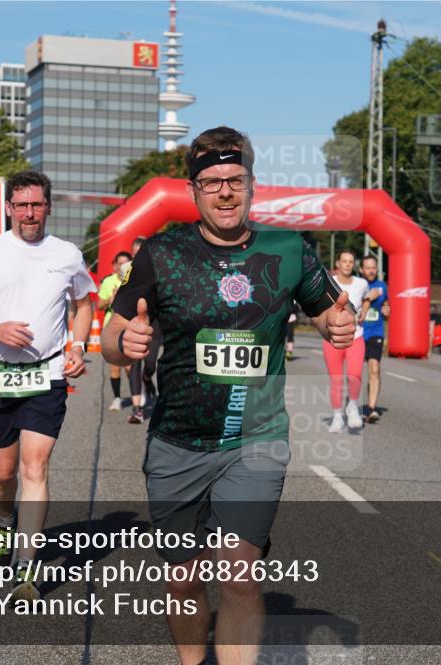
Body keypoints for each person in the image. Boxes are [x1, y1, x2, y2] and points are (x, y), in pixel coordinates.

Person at [101, 126, 355, 665]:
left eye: (234, 180)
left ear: (252, 185)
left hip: (256, 440)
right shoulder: (162, 253)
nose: (224, 192)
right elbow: (110, 338)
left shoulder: (287, 249)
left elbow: (332, 309)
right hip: (177, 441)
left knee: (239, 574)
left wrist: (340, 323)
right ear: (192, 190)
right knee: (183, 581)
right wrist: (125, 342)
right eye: (211, 181)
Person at [0, 171, 95, 602]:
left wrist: (78, 345)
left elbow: (84, 304)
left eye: (37, 204)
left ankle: (25, 567)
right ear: (9, 208)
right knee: (4, 472)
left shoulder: (66, 254)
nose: (30, 213)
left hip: (46, 378)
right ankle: (4, 521)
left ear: (49, 207)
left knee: (35, 467)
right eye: (21, 205)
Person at [322, 249, 372, 433]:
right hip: (333, 339)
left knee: (355, 375)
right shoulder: (330, 283)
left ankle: (352, 406)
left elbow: (366, 299)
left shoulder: (361, 283)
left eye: (351, 261)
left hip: (356, 337)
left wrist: (364, 312)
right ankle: (337, 417)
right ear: (338, 263)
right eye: (344, 261)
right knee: (336, 380)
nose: (348, 264)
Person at [126, 236, 161, 424]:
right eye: (135, 252)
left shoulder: (158, 269)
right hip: (132, 321)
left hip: (154, 324)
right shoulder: (127, 271)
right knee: (134, 365)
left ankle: (148, 380)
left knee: (149, 364)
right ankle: (137, 410)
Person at [98, 251, 133, 412]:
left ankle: (137, 395)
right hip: (112, 327)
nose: (123, 266)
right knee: (114, 366)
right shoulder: (108, 281)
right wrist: (110, 300)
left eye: (127, 262)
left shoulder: (135, 280)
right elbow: (99, 305)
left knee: (130, 367)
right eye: (120, 263)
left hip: (130, 327)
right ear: (115, 265)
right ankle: (117, 398)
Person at [359, 256, 387, 423]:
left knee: (374, 368)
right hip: (358, 333)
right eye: (367, 267)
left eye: (373, 267)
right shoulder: (357, 285)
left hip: (376, 332)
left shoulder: (382, 286)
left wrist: (387, 310)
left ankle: (371, 408)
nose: (371, 270)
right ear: (361, 270)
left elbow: (387, 306)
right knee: (354, 373)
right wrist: (368, 297)